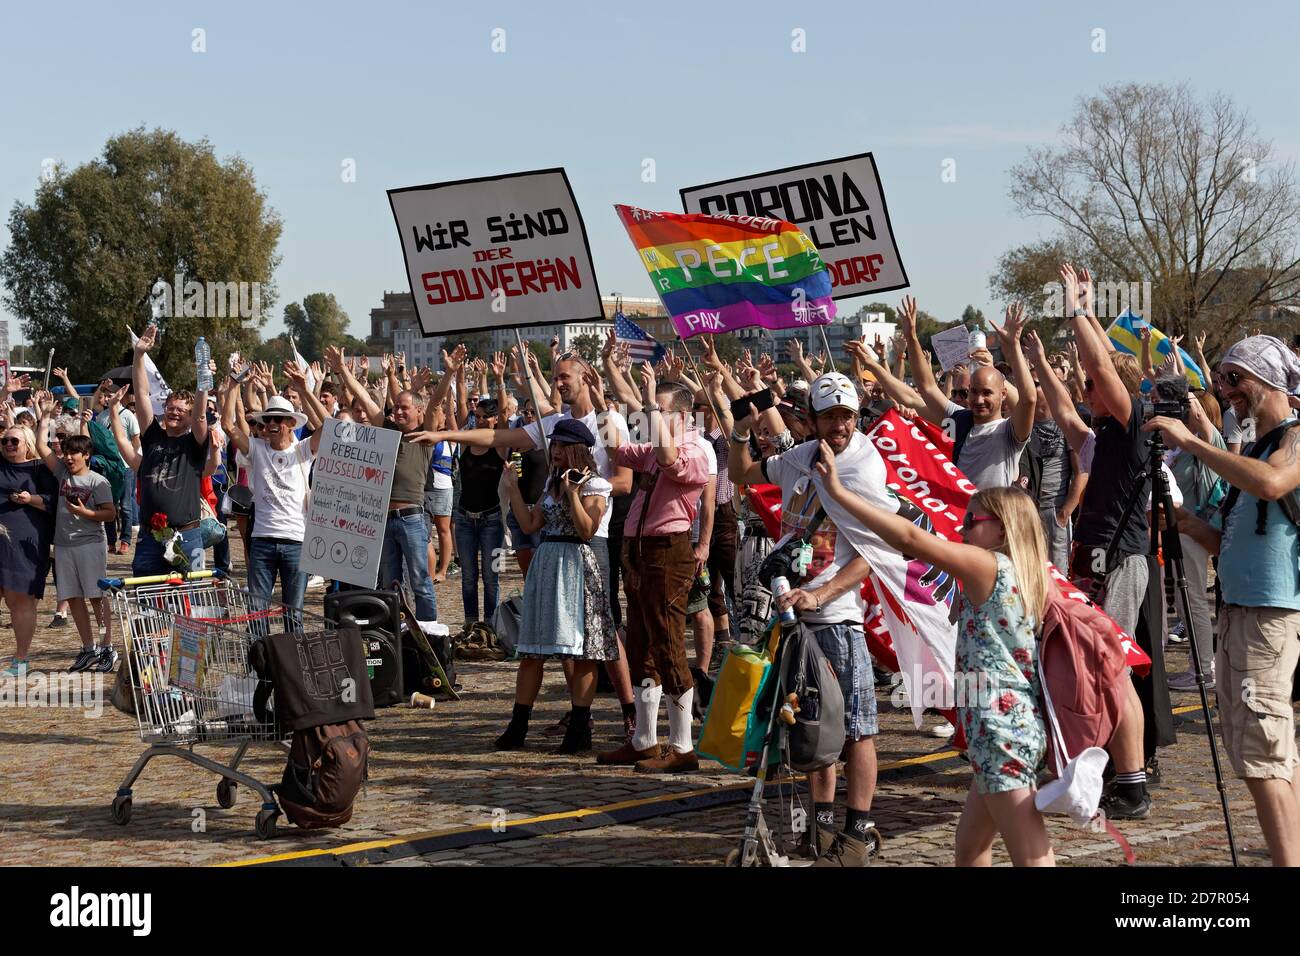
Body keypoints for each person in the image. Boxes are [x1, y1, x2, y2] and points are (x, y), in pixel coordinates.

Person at [816, 450, 1055, 866]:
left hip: (1001, 730)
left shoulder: (989, 566)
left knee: (1030, 852)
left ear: (1001, 530)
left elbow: (911, 540)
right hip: (999, 725)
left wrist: (838, 492)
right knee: (970, 846)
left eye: (971, 522)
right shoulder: (1024, 568)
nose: (961, 529)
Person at [724, 372, 882, 866]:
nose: (840, 426)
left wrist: (825, 594)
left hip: (835, 617)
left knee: (855, 726)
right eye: (830, 416)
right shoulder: (798, 456)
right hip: (791, 614)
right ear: (810, 419)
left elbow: (874, 552)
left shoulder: (862, 465)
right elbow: (742, 473)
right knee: (812, 725)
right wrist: (739, 431)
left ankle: (855, 836)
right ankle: (821, 827)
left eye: (847, 416)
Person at [1156, 335, 1300, 866]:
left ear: (1270, 382)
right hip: (1240, 611)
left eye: (1236, 378)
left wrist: (1194, 444)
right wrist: (1183, 521)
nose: (1226, 389)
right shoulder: (1257, 449)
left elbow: (1274, 485)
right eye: (1222, 379)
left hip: (1270, 614)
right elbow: (1232, 537)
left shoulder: (1293, 440)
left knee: (1262, 756)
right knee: (1273, 752)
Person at [596, 365, 708, 773]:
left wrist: (645, 407)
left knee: (668, 643)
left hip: (669, 551)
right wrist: (603, 406)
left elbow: (667, 457)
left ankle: (682, 747)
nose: (649, 417)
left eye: (658, 410)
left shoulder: (696, 449)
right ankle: (644, 739)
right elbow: (616, 451)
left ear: (681, 416)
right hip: (640, 551)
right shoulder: (661, 437)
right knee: (641, 644)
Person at [491, 419, 617, 754]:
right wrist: (514, 490)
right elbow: (532, 522)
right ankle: (518, 726)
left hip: (577, 565)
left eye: (561, 446)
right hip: (548, 562)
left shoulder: (596, 485)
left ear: (576, 448)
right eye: (554, 445)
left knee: (583, 652)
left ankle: (579, 727)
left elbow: (587, 529)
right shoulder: (551, 483)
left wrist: (574, 494)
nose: (555, 451)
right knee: (531, 650)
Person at [325, 345, 440, 621]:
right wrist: (341, 370)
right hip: (385, 519)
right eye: (396, 407)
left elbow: (436, 403)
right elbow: (363, 398)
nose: (397, 412)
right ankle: (396, 629)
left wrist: (449, 374)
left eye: (404, 408)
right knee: (391, 584)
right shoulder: (386, 430)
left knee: (421, 580)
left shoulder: (425, 436)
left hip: (412, 518)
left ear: (418, 411)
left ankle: (430, 630)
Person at [222, 362, 326, 614]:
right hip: (262, 541)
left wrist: (305, 389)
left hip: (295, 541)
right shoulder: (256, 449)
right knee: (257, 612)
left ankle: (292, 654)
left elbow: (329, 426)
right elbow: (228, 425)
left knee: (294, 613)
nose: (271, 424)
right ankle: (261, 654)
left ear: (291, 422)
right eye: (268, 419)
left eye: (278, 419)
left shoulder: (302, 450)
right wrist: (234, 386)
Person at [118, 326, 211, 575]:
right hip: (150, 538)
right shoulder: (152, 436)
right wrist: (138, 355)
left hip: (187, 536)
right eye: (171, 407)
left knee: (191, 601)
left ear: (189, 416)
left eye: (181, 410)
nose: (174, 412)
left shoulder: (195, 443)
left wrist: (203, 383)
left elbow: (202, 416)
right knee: (148, 603)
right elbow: (142, 393)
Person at [33, 410, 117, 671]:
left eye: (74, 454)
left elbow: (110, 513)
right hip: (64, 545)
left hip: (90, 544)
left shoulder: (98, 481)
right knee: (73, 597)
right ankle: (88, 648)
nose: (68, 458)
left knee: (96, 597)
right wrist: (44, 415)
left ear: (86, 455)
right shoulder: (62, 475)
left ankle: (107, 648)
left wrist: (86, 513)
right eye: (66, 453)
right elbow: (40, 446)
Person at [0, 422, 58, 677]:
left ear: (28, 445)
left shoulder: (39, 468)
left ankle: (20, 659)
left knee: (20, 602)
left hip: (24, 544)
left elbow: (55, 501)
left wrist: (29, 499)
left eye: (15, 441)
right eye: (5, 441)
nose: (9, 445)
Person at [452, 397, 507, 630]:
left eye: (487, 416)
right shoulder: (466, 443)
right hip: (464, 519)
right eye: (479, 416)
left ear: (495, 419)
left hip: (493, 521)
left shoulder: (500, 443)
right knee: (468, 578)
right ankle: (471, 625)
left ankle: (492, 625)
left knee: (492, 577)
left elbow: (505, 414)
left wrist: (500, 382)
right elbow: (462, 414)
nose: (482, 420)